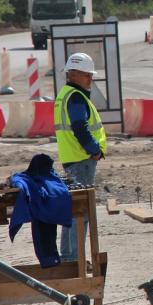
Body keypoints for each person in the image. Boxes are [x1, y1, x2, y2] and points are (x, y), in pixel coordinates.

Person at [54, 52, 106, 261]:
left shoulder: (65, 94)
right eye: (87, 75)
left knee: (72, 210)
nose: (90, 79)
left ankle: (68, 257)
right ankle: (75, 259)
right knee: (81, 213)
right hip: (81, 160)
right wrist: (94, 150)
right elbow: (79, 127)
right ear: (73, 74)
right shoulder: (75, 97)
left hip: (72, 159)